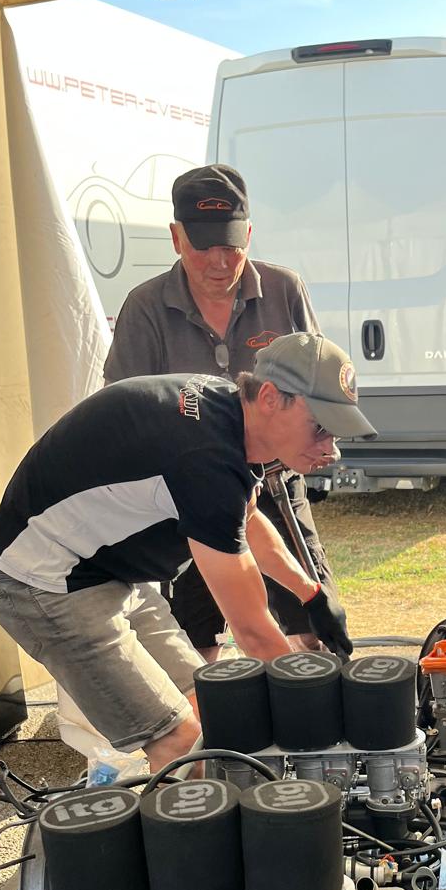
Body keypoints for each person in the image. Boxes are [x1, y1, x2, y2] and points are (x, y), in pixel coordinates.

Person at [0, 333, 374, 773]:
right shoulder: (205, 458)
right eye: (320, 427)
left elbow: (246, 519)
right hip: (39, 584)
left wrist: (311, 595)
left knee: (213, 706)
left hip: (102, 572)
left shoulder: (231, 414)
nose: (331, 449)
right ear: (269, 397)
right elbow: (252, 631)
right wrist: (316, 707)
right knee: (184, 748)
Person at [105, 164, 337, 662]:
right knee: (197, 643)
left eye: (230, 246)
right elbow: (125, 419)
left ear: (248, 235)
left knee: (312, 626)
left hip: (274, 484)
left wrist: (315, 441)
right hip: (188, 500)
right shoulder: (144, 308)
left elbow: (319, 388)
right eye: (203, 245)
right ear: (176, 238)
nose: (218, 261)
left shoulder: (284, 290)